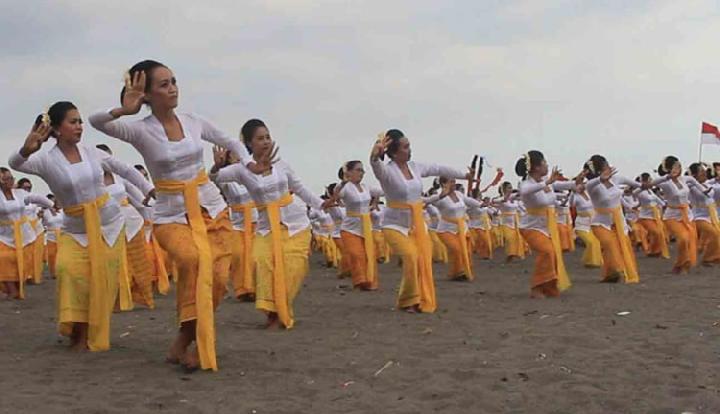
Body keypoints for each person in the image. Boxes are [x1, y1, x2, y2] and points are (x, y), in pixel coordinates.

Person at [89, 60, 261, 371]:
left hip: (210, 206)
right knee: (192, 259)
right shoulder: (139, 130)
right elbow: (96, 122)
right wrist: (124, 110)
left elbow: (232, 142)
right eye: (164, 84)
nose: (173, 89)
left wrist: (248, 164)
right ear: (147, 95)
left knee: (219, 275)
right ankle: (190, 339)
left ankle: (187, 339)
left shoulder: (193, 121)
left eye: (174, 81)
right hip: (170, 214)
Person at [10, 101, 152, 352]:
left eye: (80, 121)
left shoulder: (93, 152)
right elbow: (16, 164)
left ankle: (85, 333)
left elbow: (126, 170)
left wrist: (148, 188)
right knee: (69, 272)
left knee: (100, 279)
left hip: (107, 223)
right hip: (74, 227)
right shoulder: (44, 160)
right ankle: (76, 328)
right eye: (72, 122)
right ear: (55, 128)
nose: (79, 126)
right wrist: (26, 148)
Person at [211, 118, 325, 329]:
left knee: (293, 267)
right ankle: (271, 309)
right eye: (260, 139)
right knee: (260, 261)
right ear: (248, 144)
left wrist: (322, 204)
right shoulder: (241, 170)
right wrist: (216, 167)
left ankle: (277, 312)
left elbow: (299, 188)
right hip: (265, 225)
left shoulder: (281, 165)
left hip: (295, 223)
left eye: (268, 137)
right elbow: (216, 178)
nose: (265, 142)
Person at [370, 129, 471, 312]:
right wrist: (374, 156)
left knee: (422, 259)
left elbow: (438, 168)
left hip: (417, 223)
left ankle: (416, 298)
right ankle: (408, 300)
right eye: (406, 147)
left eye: (409, 145)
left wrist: (464, 175)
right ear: (393, 152)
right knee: (411, 256)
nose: (410, 150)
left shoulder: (416, 167)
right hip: (393, 224)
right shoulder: (387, 172)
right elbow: (376, 166)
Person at [515, 150, 575, 298]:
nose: (547, 166)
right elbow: (524, 191)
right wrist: (547, 182)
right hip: (530, 227)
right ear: (536, 167)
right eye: (544, 163)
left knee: (553, 254)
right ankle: (536, 287)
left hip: (546, 226)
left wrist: (578, 181)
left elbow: (562, 185)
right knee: (547, 251)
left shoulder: (544, 183)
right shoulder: (526, 184)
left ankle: (548, 287)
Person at [0, 168, 53, 299]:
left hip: (24, 233)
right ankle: (11, 290)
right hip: (5, 234)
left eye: (11, 177)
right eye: (7, 178)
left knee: (22, 262)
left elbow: (36, 197)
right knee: (4, 259)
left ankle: (14, 289)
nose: (11, 180)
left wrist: (51, 205)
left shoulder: (20, 193)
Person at [333, 162, 384, 290]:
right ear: (349, 172)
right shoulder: (346, 187)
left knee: (368, 254)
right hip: (349, 228)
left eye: (362, 170)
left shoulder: (366, 187)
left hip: (365, 227)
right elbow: (336, 194)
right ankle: (360, 281)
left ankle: (369, 280)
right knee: (356, 254)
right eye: (358, 170)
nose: (361, 173)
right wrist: (343, 181)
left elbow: (382, 191)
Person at [428, 177, 483, 281]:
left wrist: (480, 204)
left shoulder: (458, 194)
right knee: (456, 249)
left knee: (466, 251)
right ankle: (456, 273)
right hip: (445, 229)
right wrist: (441, 195)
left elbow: (468, 200)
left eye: (454, 181)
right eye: (451, 181)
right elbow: (429, 201)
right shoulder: (440, 198)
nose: (454, 183)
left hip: (461, 228)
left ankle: (461, 272)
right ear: (444, 184)